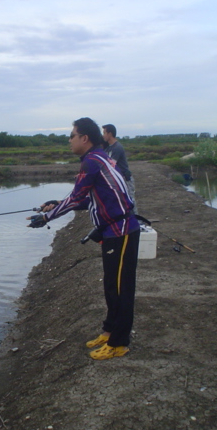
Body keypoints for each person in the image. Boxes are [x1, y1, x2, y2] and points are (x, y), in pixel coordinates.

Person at [27, 117, 140, 360]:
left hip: (122, 232)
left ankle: (119, 344)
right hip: (112, 231)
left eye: (72, 135)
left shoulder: (91, 162)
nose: (69, 140)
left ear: (84, 138)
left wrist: (47, 218)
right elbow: (90, 200)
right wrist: (57, 204)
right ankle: (109, 332)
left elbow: (77, 197)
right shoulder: (97, 159)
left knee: (121, 289)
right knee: (111, 286)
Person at [102, 124, 136, 213]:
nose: (103, 135)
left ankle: (138, 222)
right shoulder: (109, 148)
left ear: (110, 134)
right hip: (119, 179)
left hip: (125, 179)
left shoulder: (117, 147)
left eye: (104, 133)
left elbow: (110, 166)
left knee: (130, 200)